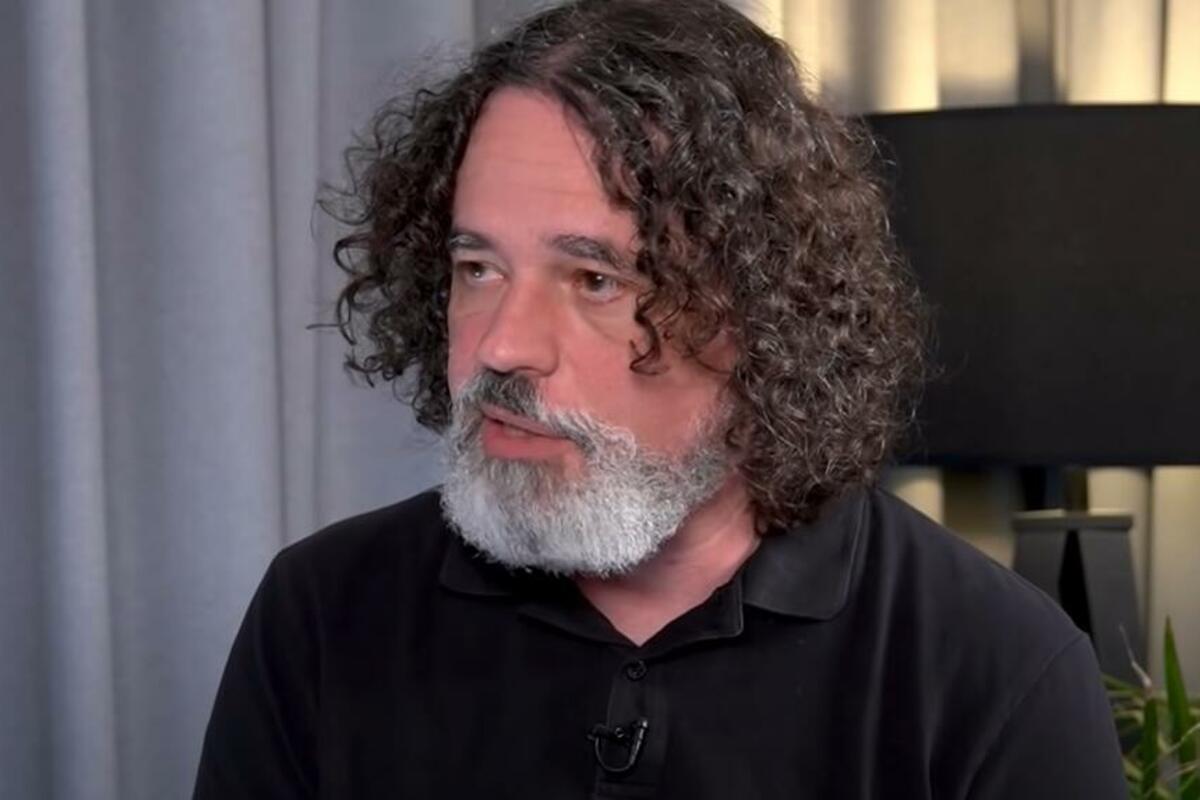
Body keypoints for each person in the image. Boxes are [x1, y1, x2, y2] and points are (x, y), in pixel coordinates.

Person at [194, 0, 1127, 797]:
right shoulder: (323, 616)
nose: (502, 345)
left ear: (768, 309)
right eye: (477, 267)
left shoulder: (994, 669)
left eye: (596, 280)